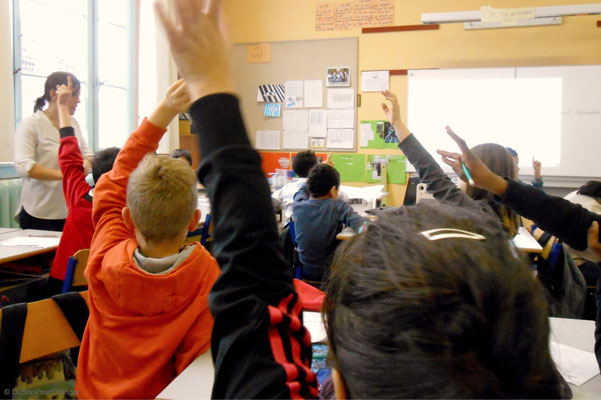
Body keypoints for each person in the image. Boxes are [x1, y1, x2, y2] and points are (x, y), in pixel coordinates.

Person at [155, 1, 568, 397]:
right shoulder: (492, 239)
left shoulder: (305, 203)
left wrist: (208, 87)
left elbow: (253, 282)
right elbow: (253, 278)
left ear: (339, 386)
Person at [75, 79, 220, 399]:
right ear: (194, 222)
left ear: (128, 217)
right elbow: (198, 358)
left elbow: (114, 183)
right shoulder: (205, 273)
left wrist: (164, 112)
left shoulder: (104, 257)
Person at [46, 76, 120, 295]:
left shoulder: (80, 200)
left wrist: (62, 108)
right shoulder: (127, 212)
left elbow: (69, 159)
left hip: (64, 290)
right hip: (105, 289)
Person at [13, 71, 93, 231]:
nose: (78, 101)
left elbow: (89, 155)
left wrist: (85, 165)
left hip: (69, 208)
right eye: (74, 95)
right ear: (53, 94)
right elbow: (24, 166)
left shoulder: (73, 123)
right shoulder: (31, 124)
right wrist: (67, 176)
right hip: (39, 212)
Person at [293, 163, 366, 286]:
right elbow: (363, 227)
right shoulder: (338, 207)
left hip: (306, 274)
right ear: (333, 190)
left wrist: (315, 175)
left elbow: (301, 191)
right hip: (330, 275)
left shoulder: (298, 205)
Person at [271, 150, 319, 222]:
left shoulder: (287, 188)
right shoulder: (323, 188)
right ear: (312, 170)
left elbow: (270, 202)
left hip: (290, 231)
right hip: (315, 231)